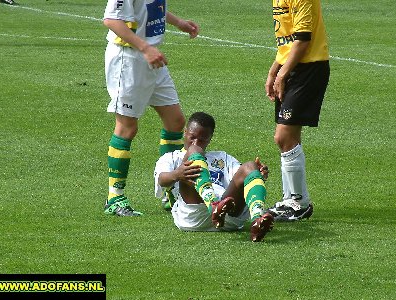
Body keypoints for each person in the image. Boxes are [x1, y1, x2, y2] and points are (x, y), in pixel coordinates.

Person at [103, 0, 200, 216]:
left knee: (175, 121)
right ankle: (114, 197)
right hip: (127, 60)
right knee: (127, 127)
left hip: (151, 58)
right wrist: (145, 48)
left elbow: (154, 7)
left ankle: (169, 189)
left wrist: (179, 23)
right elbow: (111, 20)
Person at [154, 112, 274, 242]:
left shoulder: (222, 157)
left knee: (250, 166)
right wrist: (177, 174)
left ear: (210, 138)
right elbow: (162, 180)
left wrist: (256, 174)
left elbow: (242, 177)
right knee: (194, 151)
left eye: (202, 139)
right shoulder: (171, 157)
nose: (196, 142)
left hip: (228, 216)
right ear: (185, 132)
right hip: (193, 215)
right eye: (192, 137)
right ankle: (213, 205)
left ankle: (257, 219)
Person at [264, 0, 330, 221]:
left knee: (282, 137)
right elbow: (287, 41)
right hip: (292, 67)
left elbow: (302, 41)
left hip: (309, 68)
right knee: (289, 139)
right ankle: (291, 200)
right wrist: (274, 70)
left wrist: (282, 75)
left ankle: (299, 203)